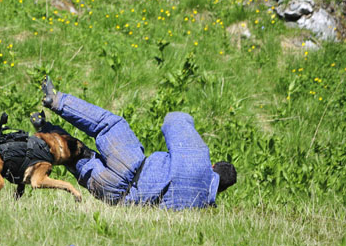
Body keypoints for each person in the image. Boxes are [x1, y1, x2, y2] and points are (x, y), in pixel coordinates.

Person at [40, 76, 236, 211]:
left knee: (107, 125)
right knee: (78, 157)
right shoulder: (199, 206)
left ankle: (57, 101)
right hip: (115, 195)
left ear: (213, 166)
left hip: (132, 164)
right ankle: (45, 129)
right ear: (220, 190)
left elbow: (174, 120)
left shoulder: (200, 161)